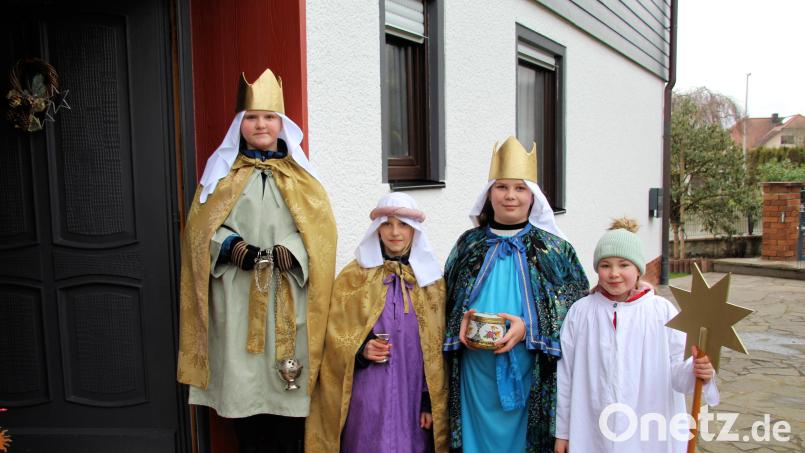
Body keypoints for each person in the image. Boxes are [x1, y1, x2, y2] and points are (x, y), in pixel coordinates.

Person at [177, 68, 337, 453]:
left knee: (288, 397)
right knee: (243, 390)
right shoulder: (221, 177)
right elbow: (198, 231)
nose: (261, 124)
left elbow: (322, 233)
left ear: (281, 124)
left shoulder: (302, 179)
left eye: (268, 117)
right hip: (237, 296)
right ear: (240, 124)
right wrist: (231, 246)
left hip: (287, 296)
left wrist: (292, 250)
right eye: (252, 117)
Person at [443, 137, 589, 453]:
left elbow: (578, 309)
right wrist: (459, 321)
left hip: (530, 372)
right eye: (502, 187)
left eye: (520, 188)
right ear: (489, 194)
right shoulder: (467, 245)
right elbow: (443, 301)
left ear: (532, 196)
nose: (510, 196)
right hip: (475, 374)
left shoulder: (555, 251)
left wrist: (527, 327)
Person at [554, 218, 719, 453]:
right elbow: (566, 375)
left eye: (624, 265)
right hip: (592, 424)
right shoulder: (581, 312)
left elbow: (678, 368)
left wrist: (697, 370)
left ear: (639, 269)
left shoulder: (661, 312)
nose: (614, 273)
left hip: (647, 424)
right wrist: (563, 431)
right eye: (605, 265)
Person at [306, 192, 448, 453]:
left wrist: (428, 401)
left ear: (414, 230)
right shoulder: (353, 277)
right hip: (367, 392)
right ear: (377, 229)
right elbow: (334, 336)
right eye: (387, 224)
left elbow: (436, 349)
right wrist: (361, 349)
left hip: (412, 394)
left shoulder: (430, 281)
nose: (395, 232)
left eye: (403, 224)